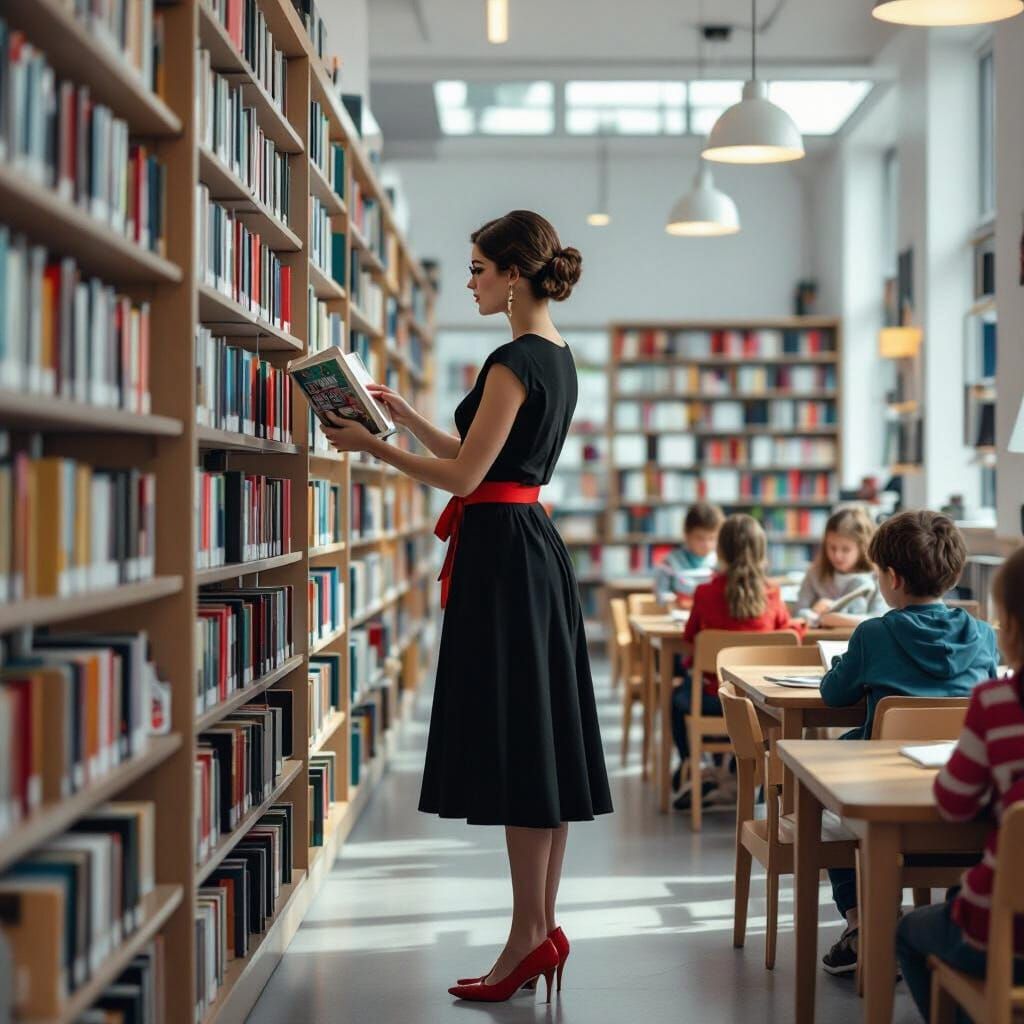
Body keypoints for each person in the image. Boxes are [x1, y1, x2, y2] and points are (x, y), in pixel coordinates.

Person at [320, 210, 613, 1003]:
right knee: (541, 747)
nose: (470, 281)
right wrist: (403, 417)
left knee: (524, 749)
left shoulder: (512, 360)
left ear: (514, 274)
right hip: (528, 548)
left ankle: (525, 939)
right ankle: (537, 930)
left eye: (479, 268)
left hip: (505, 559)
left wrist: (371, 446)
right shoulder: (556, 355)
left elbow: (463, 478)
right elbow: (481, 457)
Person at [818, 510, 999, 976]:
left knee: (826, 803)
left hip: (883, 795)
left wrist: (842, 665)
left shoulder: (874, 633)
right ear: (954, 575)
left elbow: (833, 694)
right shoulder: (983, 636)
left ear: (892, 578)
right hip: (962, 800)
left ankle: (860, 922)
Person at [895, 545, 1024, 1021]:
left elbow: (953, 804)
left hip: (1004, 936)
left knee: (908, 933)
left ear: (1011, 627)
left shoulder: (997, 704)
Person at [671, 513, 803, 810]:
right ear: (762, 552)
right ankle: (749, 775)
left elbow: (691, 640)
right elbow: (787, 637)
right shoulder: (772, 594)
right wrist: (799, 627)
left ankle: (696, 766)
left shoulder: (705, 593)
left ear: (721, 551)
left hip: (714, 699)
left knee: (676, 699)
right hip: (761, 703)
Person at [795, 506, 887, 625]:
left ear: (862, 548)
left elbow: (880, 619)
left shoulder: (878, 577)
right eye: (832, 547)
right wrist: (812, 612)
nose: (837, 555)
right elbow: (798, 613)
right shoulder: (815, 573)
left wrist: (832, 617)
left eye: (846, 549)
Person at [653, 501, 723, 604]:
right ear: (687, 535)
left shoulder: (720, 563)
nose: (706, 545)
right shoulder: (670, 562)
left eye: (712, 538)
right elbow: (660, 596)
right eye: (700, 538)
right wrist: (676, 600)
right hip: (680, 612)